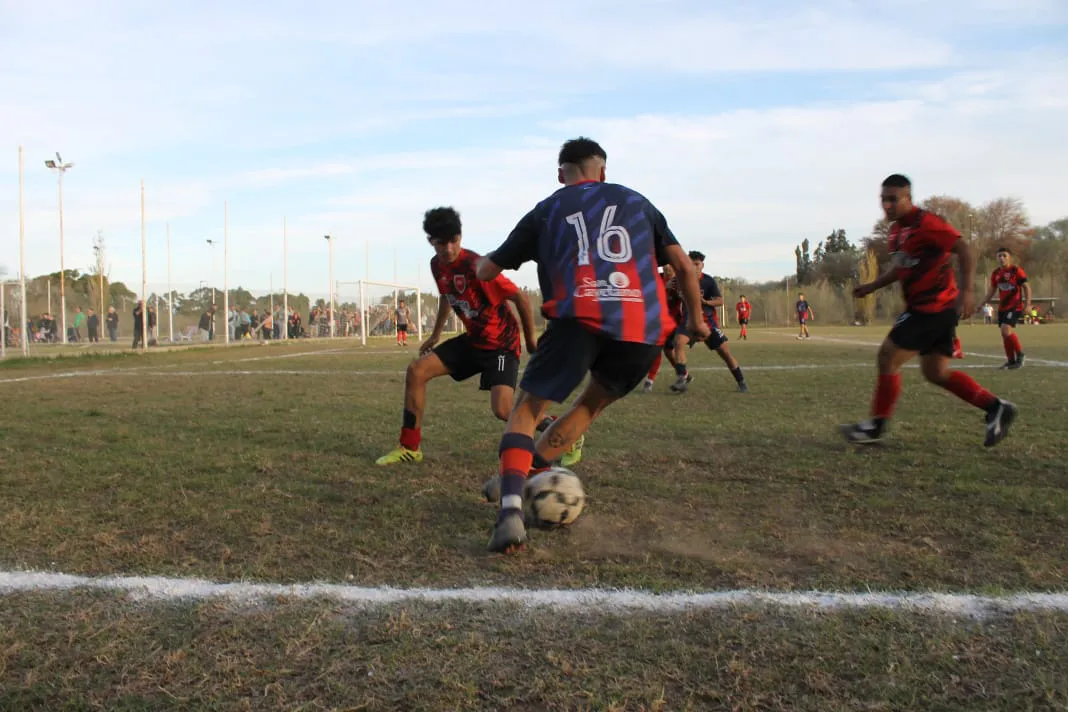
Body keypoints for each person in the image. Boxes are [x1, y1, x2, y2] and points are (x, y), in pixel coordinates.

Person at [475, 136, 708, 553]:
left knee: (527, 408)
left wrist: (480, 263)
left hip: (578, 313)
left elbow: (490, 269)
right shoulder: (638, 202)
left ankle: (510, 508)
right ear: (602, 171)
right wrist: (697, 321)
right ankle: (526, 471)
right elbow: (684, 267)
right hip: (642, 327)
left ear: (561, 174)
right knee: (588, 405)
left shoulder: (548, 208)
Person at [376, 207, 585, 466]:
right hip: (474, 341)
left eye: (454, 240)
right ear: (431, 241)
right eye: (442, 243)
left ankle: (566, 434)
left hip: (501, 345)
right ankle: (409, 447)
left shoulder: (477, 267)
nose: (449, 248)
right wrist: (435, 335)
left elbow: (518, 296)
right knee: (417, 371)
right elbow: (446, 296)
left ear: (460, 237)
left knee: (504, 410)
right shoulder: (437, 265)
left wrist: (530, 340)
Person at [840, 174, 1017, 447]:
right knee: (936, 373)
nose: (886, 205)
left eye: (893, 199)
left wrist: (967, 292)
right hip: (928, 308)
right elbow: (902, 267)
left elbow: (964, 250)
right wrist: (872, 286)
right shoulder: (897, 232)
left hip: (933, 307)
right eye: (883, 199)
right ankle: (996, 407)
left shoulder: (928, 224)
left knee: (888, 357)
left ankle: (876, 424)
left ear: (908, 198)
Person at [669, 251, 748, 393]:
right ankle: (682, 379)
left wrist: (706, 301)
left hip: (708, 323)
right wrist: (668, 289)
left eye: (697, 264)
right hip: (688, 321)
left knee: (724, 352)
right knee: (678, 342)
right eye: (691, 264)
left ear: (702, 265)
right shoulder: (679, 280)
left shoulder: (708, 281)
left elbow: (720, 301)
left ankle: (741, 381)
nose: (694, 267)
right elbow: (668, 293)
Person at [982, 247, 1031, 369]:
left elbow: (1027, 287)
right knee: (1004, 334)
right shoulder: (996, 273)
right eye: (999, 256)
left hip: (1015, 306)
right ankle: (1011, 361)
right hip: (1003, 307)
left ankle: (1020, 355)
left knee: (1006, 330)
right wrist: (981, 303)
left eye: (1004, 255)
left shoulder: (1016, 270)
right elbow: (992, 290)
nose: (1002, 258)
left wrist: (1027, 304)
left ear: (1010, 257)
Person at [641, 264, 684, 392]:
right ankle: (683, 374)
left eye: (670, 264)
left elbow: (687, 299)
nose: (666, 267)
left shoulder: (680, 281)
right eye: (664, 265)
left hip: (673, 322)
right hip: (656, 320)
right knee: (665, 351)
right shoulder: (657, 278)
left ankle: (650, 380)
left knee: (659, 349)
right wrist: (663, 288)